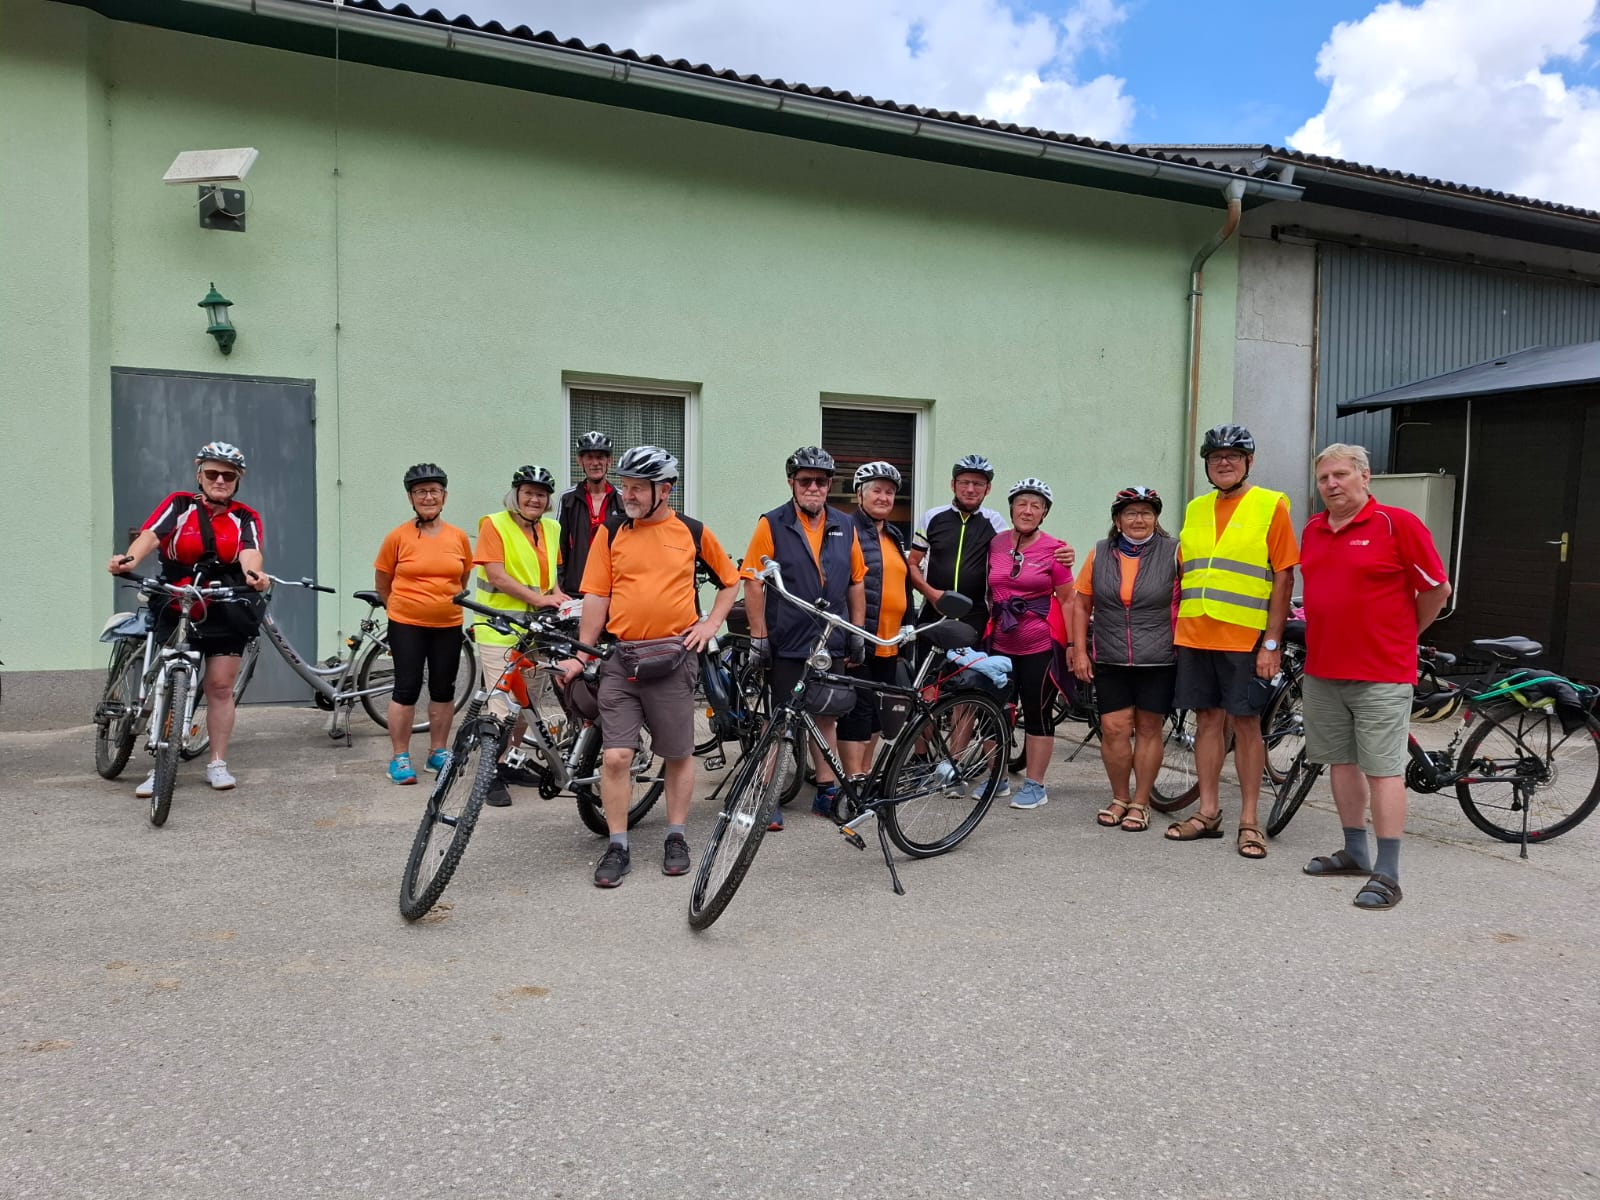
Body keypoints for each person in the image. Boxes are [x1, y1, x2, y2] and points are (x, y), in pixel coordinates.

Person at [555, 446, 740, 888]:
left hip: (674, 659)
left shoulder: (691, 532)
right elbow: (597, 596)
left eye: (638, 487)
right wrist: (582, 654)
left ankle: (676, 837)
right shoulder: (611, 532)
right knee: (616, 755)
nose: (628, 495)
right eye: (625, 486)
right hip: (622, 658)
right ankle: (617, 845)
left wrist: (710, 625)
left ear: (665, 490)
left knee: (676, 754)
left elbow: (731, 580)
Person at [1298, 444, 1450, 911]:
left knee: (1383, 770)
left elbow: (1437, 589)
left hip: (1381, 672)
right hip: (1323, 670)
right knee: (1340, 763)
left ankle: (1388, 872)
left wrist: (1404, 635)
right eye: (1324, 478)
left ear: (1365, 477)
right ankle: (1355, 852)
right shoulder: (1313, 529)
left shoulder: (1396, 524)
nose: (1332, 484)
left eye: (1341, 475)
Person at [1165, 424, 1299, 859]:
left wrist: (1272, 643)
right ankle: (1208, 812)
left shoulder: (1271, 504)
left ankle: (1249, 820)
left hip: (1245, 636)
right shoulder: (1196, 508)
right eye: (1216, 457)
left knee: (1246, 725)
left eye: (1233, 456)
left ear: (1248, 462)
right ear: (1207, 464)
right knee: (1206, 721)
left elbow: (1284, 576)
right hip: (1196, 633)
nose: (1224, 462)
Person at [107, 441, 270, 796]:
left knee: (220, 687)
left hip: (224, 601)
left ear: (237, 481)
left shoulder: (245, 517)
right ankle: (160, 766)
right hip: (177, 598)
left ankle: (217, 763)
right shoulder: (179, 504)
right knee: (169, 683)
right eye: (212, 473)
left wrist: (254, 575)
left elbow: (250, 551)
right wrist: (130, 560)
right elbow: (151, 535)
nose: (220, 480)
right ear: (199, 476)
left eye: (228, 476)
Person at [742, 446, 867, 828]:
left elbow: (856, 582)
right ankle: (767, 795)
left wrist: (857, 632)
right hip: (788, 640)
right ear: (791, 483)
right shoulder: (772, 523)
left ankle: (826, 792)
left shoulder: (845, 525)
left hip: (831, 639)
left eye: (821, 481)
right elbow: (752, 581)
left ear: (830, 485)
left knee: (826, 715)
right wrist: (759, 637)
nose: (814, 487)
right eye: (805, 480)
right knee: (781, 720)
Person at [1070, 487, 1180, 833]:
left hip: (1158, 658)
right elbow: (1080, 604)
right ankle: (1120, 797)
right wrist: (1079, 650)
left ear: (1156, 519)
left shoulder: (1174, 551)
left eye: (1146, 512)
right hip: (1110, 655)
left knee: (1148, 729)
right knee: (1114, 729)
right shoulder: (1100, 552)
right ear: (1118, 520)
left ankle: (1140, 802)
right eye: (1131, 513)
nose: (1138, 519)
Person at [471, 465, 569, 807]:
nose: (534, 499)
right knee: (501, 706)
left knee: (528, 703)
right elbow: (497, 575)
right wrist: (539, 600)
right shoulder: (494, 524)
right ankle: (488, 775)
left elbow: (549, 579)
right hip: (499, 628)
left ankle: (507, 762)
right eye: (528, 493)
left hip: (537, 630)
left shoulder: (552, 528)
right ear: (516, 494)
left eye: (541, 494)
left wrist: (558, 598)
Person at [373, 464, 473, 786]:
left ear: (444, 496)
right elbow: (383, 581)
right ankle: (399, 757)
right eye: (420, 492)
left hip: (448, 623)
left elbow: (462, 578)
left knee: (444, 689)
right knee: (406, 688)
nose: (428, 497)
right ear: (411, 498)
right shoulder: (397, 537)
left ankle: (437, 752)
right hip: (407, 624)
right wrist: (399, 608)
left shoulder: (458, 537)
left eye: (434, 491)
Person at [910, 454, 1073, 638]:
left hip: (976, 616)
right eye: (964, 482)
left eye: (978, 484)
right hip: (933, 612)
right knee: (927, 657)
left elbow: (1023, 544)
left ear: (988, 488)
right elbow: (912, 563)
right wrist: (931, 594)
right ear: (952, 484)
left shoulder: (995, 522)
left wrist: (1061, 550)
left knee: (971, 658)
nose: (970, 489)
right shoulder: (932, 517)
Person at [987, 478, 1074, 811]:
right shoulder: (995, 544)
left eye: (1036, 506)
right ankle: (997, 779)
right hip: (999, 643)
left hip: (1039, 646)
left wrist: (1072, 645)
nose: (1027, 510)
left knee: (1037, 713)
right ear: (1011, 508)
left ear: (1044, 513)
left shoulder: (1056, 549)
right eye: (1021, 504)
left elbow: (1068, 600)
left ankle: (1036, 785)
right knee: (995, 711)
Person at [838, 461, 915, 783]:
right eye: (877, 491)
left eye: (890, 492)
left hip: (890, 640)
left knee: (877, 714)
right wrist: (849, 635)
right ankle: (852, 778)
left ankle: (865, 773)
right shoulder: (846, 530)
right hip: (861, 637)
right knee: (856, 711)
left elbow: (903, 585)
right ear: (860, 494)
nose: (884, 497)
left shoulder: (894, 535)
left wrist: (908, 626)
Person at [556, 431, 625, 597]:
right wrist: (560, 589)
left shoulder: (623, 499)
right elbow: (558, 547)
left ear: (609, 461)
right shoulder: (567, 499)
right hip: (575, 590)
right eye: (589, 457)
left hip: (613, 591)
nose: (595, 463)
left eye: (600, 457)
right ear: (580, 461)